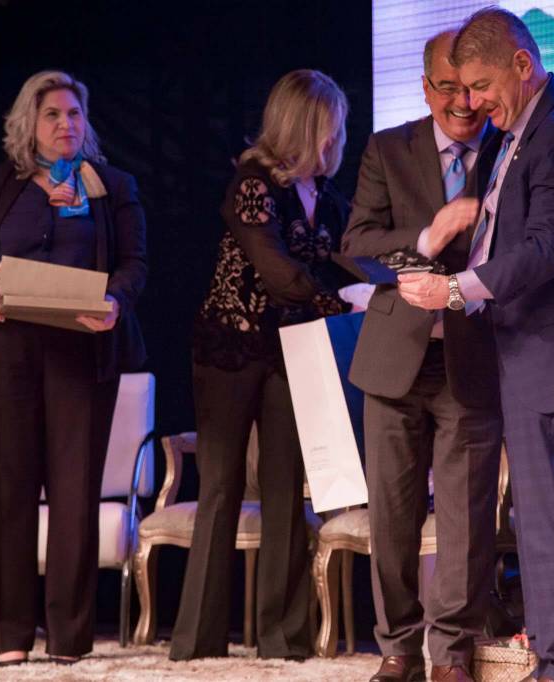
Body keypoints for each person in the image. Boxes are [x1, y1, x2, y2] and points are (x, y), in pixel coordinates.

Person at [352, 27, 554, 682]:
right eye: (459, 88)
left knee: (551, 522)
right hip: (514, 353)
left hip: (551, 353)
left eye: (481, 86)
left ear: (521, 64)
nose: (473, 103)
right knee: (540, 522)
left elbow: (546, 247)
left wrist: (454, 289)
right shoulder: (527, 127)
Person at [0, 70, 147, 666]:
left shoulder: (111, 185)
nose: (65, 124)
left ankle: (69, 639)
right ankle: (8, 635)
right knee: (6, 487)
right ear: (29, 123)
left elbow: (134, 263)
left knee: (75, 490)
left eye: (74, 114)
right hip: (4, 350)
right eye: (52, 114)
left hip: (81, 350)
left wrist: (115, 301)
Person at [170, 69, 354, 662]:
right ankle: (198, 642)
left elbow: (356, 255)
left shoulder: (328, 197)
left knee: (284, 490)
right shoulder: (252, 183)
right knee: (221, 487)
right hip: (231, 347)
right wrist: (339, 299)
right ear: (302, 125)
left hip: (289, 352)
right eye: (328, 126)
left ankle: (284, 640)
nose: (335, 138)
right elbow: (275, 270)